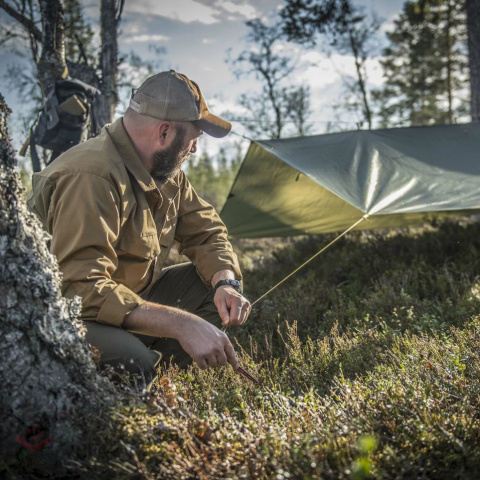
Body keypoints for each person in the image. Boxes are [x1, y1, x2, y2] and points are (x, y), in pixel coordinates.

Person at [27, 70, 251, 387]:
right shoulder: (91, 176)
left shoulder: (166, 173)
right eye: (192, 140)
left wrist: (225, 282)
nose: (194, 150)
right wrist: (182, 324)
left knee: (212, 289)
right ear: (163, 133)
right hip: (60, 315)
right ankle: (127, 396)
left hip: (121, 303)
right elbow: (79, 289)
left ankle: (163, 388)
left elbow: (206, 233)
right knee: (135, 363)